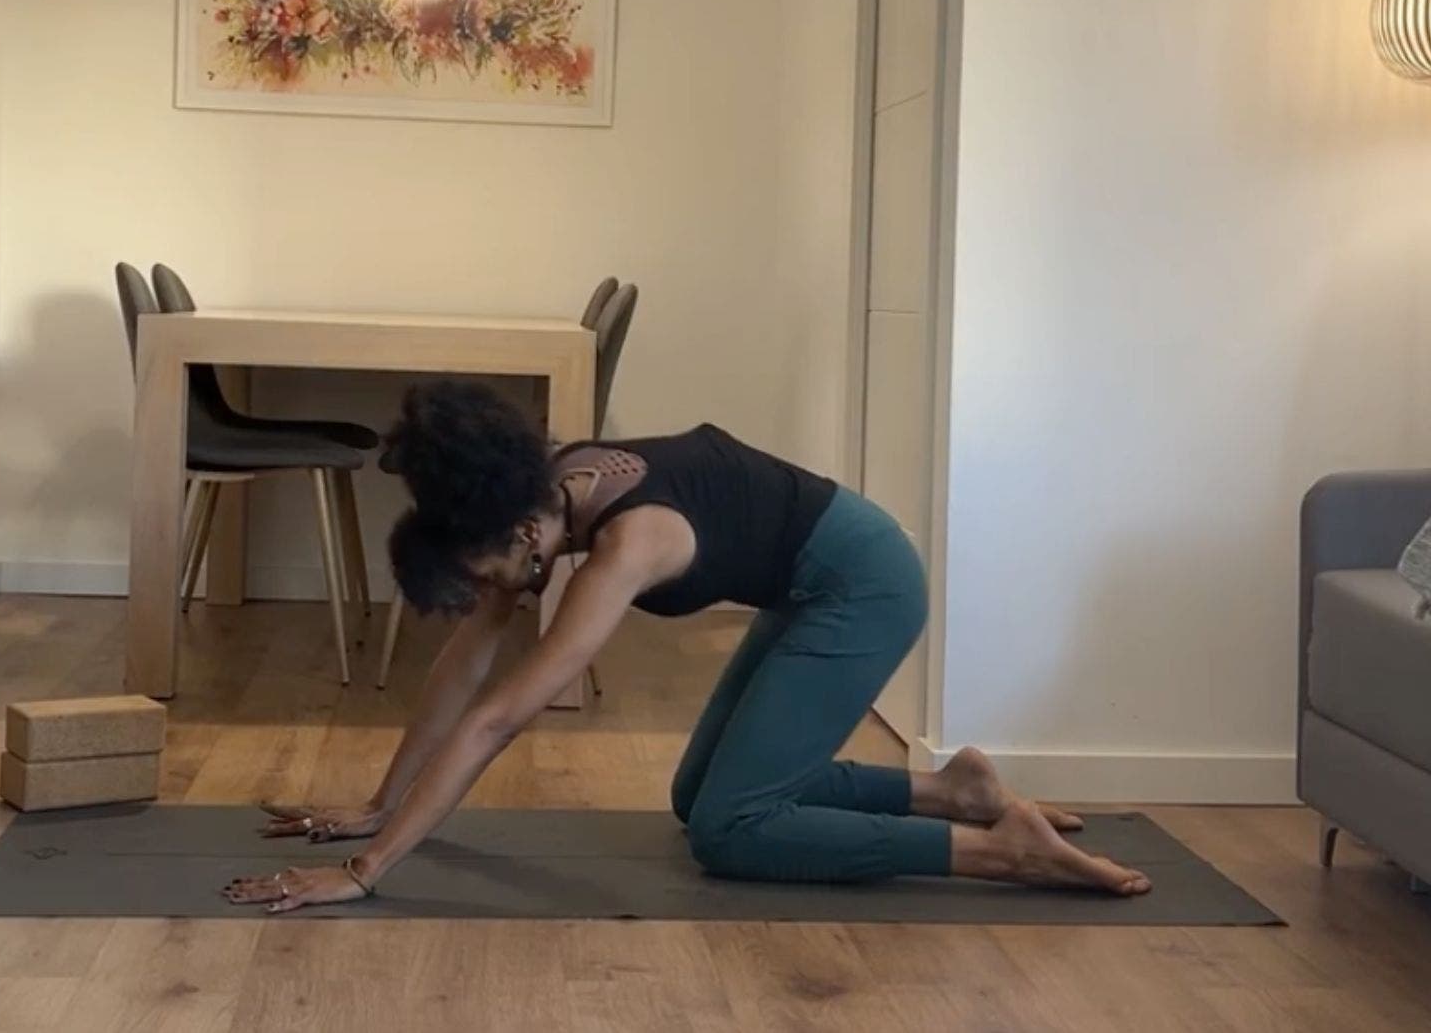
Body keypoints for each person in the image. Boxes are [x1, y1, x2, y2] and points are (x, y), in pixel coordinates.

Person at [223, 381, 1150, 913]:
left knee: (730, 828)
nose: (493, 599)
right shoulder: (542, 498)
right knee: (697, 794)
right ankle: (960, 790)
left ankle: (1002, 850)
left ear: (522, 537)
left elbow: (500, 716)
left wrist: (363, 873)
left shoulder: (628, 544)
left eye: (491, 577)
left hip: (864, 585)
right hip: (808, 576)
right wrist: (379, 806)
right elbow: (465, 662)